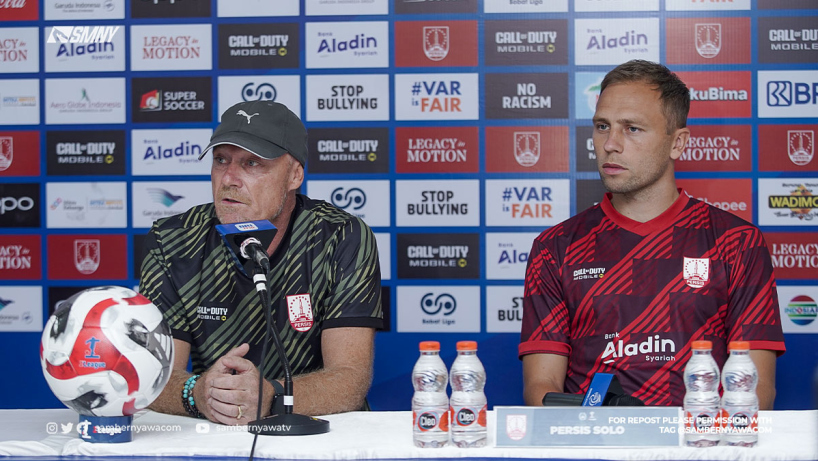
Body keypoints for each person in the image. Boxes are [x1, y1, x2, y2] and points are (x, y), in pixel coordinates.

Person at [519, 60, 785, 408]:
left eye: (632, 129)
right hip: (596, 451)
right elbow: (542, 386)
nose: (611, 144)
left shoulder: (737, 243)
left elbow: (756, 389)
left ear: (678, 143)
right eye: (602, 126)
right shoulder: (554, 247)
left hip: (700, 450)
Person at [140, 100, 383, 425]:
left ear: (295, 174)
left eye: (252, 163)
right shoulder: (171, 241)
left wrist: (272, 396)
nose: (228, 178)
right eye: (220, 159)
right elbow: (155, 378)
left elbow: (349, 379)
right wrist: (198, 393)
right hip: (212, 437)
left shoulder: (341, 236)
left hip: (317, 437)